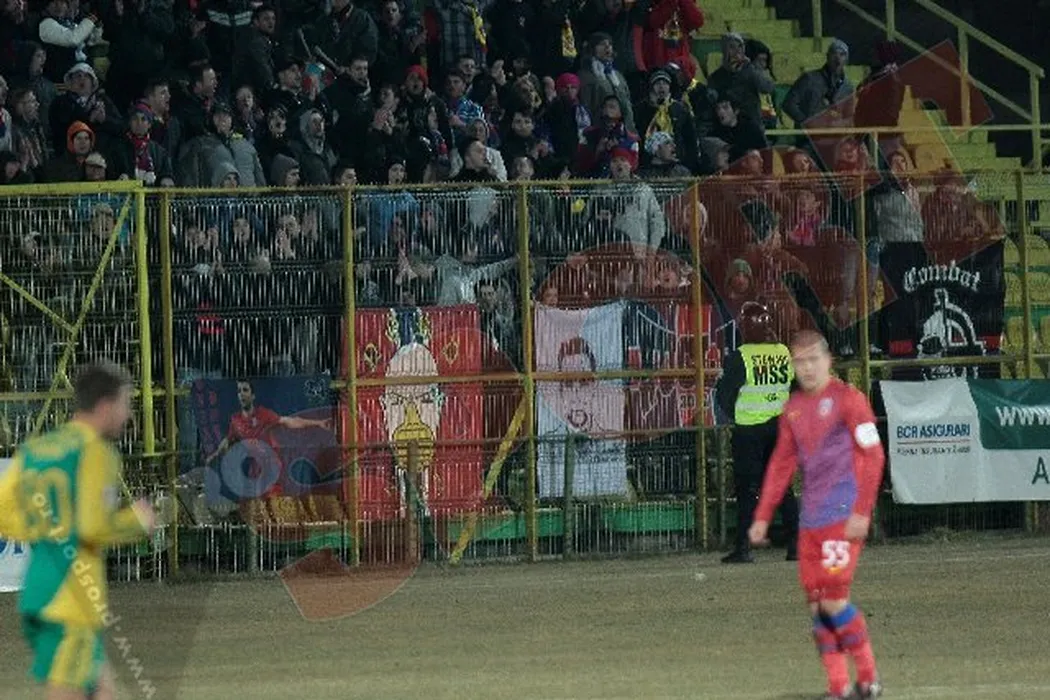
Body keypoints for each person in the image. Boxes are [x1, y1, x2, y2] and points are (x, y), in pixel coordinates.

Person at [0, 362, 157, 700]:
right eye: (125, 404)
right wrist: (136, 522)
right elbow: (91, 527)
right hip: (70, 599)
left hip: (40, 589)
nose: (129, 415)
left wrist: (48, 530)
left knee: (101, 692)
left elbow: (4, 512)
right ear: (105, 405)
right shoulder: (96, 451)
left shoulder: (35, 450)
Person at [748, 330, 885, 700]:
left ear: (828, 361)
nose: (807, 368)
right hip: (810, 522)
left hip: (843, 517)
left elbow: (873, 454)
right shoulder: (793, 408)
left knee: (833, 602)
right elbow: (782, 464)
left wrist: (862, 511)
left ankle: (869, 678)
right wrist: (762, 516)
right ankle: (838, 687)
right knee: (816, 606)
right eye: (800, 361)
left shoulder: (849, 400)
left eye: (813, 360)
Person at [715, 301, 799, 564]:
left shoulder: (741, 356)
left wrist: (738, 413)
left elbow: (724, 395)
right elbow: (795, 387)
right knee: (783, 487)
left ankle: (743, 547)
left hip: (749, 431)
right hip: (780, 428)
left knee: (748, 489)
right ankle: (796, 545)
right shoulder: (783, 352)